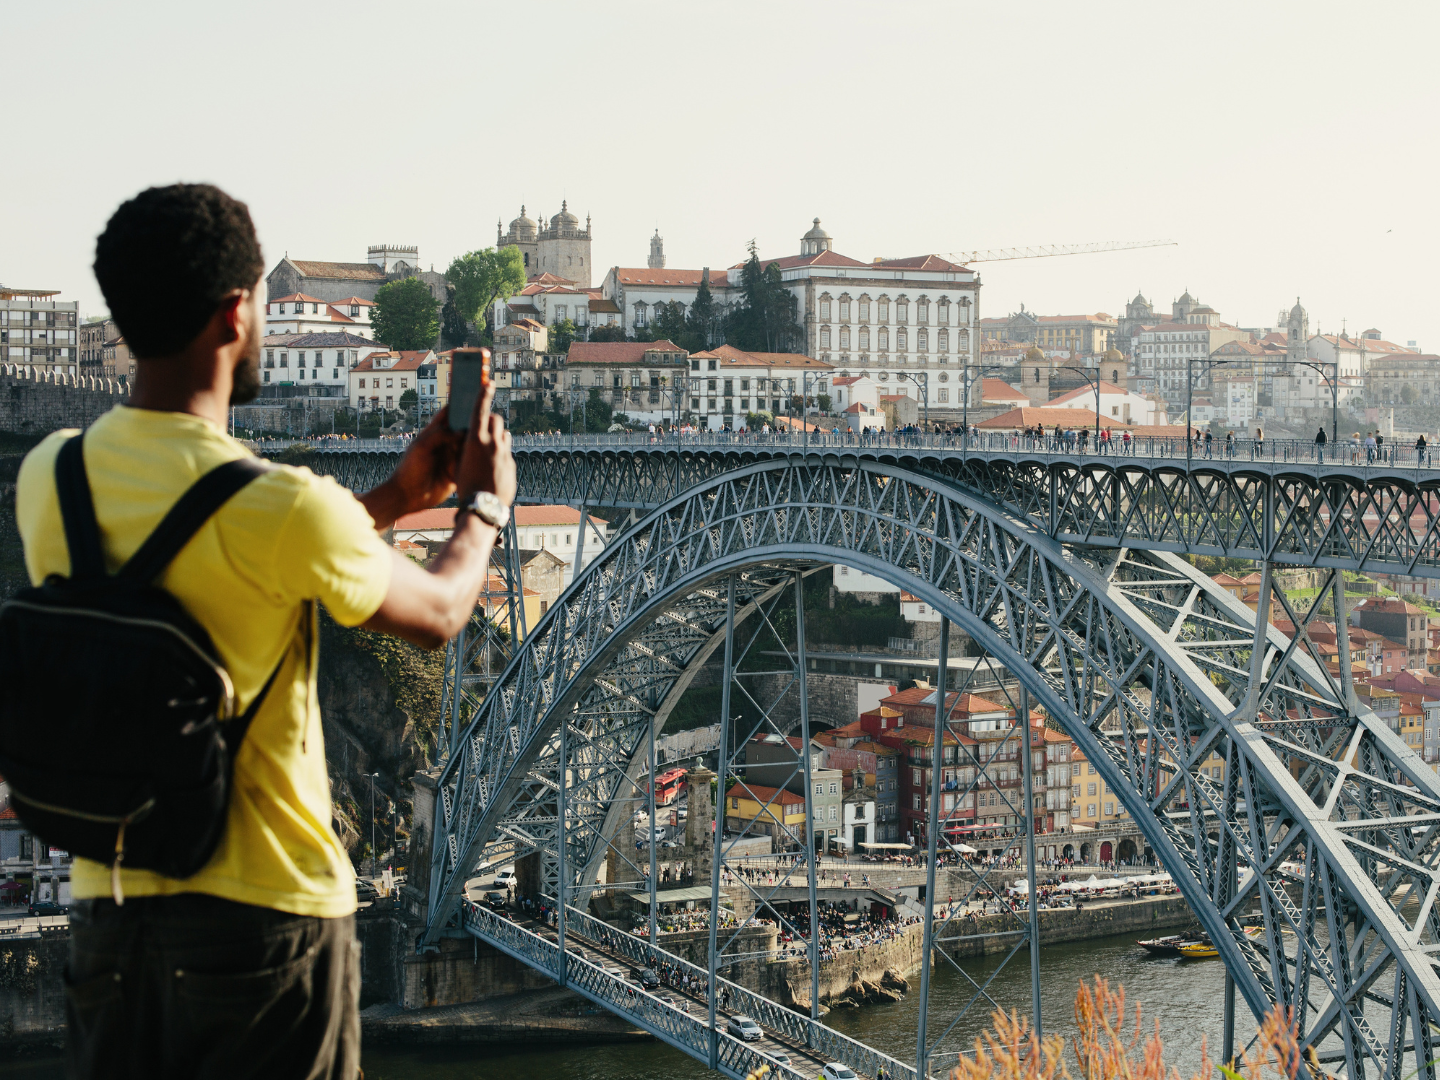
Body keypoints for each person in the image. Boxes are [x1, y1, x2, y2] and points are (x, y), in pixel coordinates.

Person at [24, 185, 516, 1079]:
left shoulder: (51, 478)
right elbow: (442, 615)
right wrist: (482, 507)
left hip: (113, 925)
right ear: (235, 312)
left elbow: (216, 563)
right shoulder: (286, 507)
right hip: (266, 932)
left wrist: (396, 501)